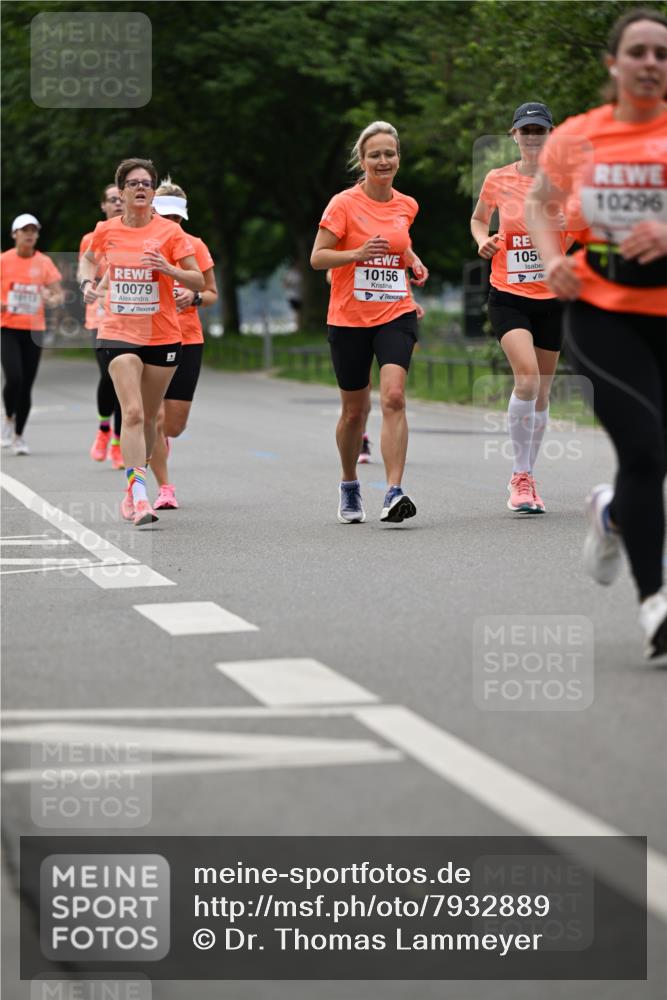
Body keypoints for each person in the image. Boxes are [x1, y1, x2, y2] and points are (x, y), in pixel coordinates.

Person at [526, 7, 667, 658]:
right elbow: (538, 204)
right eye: (637, 51)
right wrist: (552, 257)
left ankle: (611, 512)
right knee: (643, 451)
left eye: (660, 54)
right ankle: (653, 604)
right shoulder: (578, 137)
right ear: (613, 63)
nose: (649, 63)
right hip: (602, 310)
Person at [311, 121, 428, 523]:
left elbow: (400, 240)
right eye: (375, 154)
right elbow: (318, 257)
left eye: (389, 154)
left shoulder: (407, 205)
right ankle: (349, 482)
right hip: (348, 319)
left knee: (394, 397)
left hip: (396, 311)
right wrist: (355, 254)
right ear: (362, 161)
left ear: (398, 159)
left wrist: (412, 260)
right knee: (353, 413)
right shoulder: (342, 204)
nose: (383, 161)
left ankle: (394, 492)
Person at [79, 158, 204, 527]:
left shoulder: (171, 233)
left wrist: (169, 270)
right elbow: (87, 262)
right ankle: (138, 494)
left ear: (152, 191)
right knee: (131, 412)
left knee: (151, 419)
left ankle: (133, 484)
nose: (140, 188)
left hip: (163, 334)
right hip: (117, 331)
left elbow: (197, 280)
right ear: (121, 190)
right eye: (132, 183)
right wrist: (86, 284)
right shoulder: (106, 230)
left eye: (146, 183)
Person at [471, 102, 574, 514]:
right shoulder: (497, 179)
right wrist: (483, 239)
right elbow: (479, 219)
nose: (533, 138)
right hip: (508, 294)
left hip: (553, 298)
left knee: (544, 394)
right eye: (525, 131)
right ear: (514, 136)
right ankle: (518, 475)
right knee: (527, 380)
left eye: (540, 131)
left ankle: (529, 475)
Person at [150, 179, 218, 509]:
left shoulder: (195, 246)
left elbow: (211, 294)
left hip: (187, 338)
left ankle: (160, 442)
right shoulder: (142, 244)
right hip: (148, 337)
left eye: (177, 218)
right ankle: (165, 488)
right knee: (154, 418)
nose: (171, 223)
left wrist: (193, 298)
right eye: (165, 216)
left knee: (174, 426)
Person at [1, 214, 63, 455]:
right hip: (7, 327)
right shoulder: (3, 260)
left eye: (33, 230)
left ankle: (19, 436)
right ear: (14, 234)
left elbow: (58, 295)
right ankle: (8, 418)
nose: (29, 234)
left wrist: (51, 298)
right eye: (24, 230)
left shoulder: (44, 262)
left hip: (34, 330)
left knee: (26, 384)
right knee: (14, 378)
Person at [79, 184, 124, 468]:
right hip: (100, 317)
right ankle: (103, 429)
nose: (118, 203)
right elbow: (86, 270)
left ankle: (119, 444)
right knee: (109, 376)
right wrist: (89, 285)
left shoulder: (137, 234)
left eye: (121, 199)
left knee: (125, 381)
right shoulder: (92, 238)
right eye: (112, 200)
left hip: (129, 318)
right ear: (103, 206)